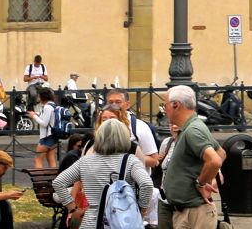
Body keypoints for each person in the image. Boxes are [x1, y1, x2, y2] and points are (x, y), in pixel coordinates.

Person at [53, 117, 154, 229]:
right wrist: (141, 209)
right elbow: (146, 184)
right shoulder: (130, 161)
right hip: (121, 222)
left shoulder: (85, 161)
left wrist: (72, 208)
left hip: (90, 222)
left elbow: (58, 182)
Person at [157, 86, 222, 229]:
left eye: (165, 105)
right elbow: (221, 152)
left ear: (176, 105)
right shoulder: (191, 127)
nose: (164, 110)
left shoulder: (192, 130)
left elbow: (216, 159)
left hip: (194, 213)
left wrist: (201, 183)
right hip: (185, 211)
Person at [101, 89, 162, 226]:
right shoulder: (101, 129)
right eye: (111, 102)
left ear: (127, 104)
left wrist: (130, 160)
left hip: (133, 189)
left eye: (118, 102)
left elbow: (154, 160)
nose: (115, 105)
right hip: (107, 188)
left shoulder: (139, 127)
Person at [33, 87, 59, 171]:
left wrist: (33, 116)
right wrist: (36, 114)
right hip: (53, 136)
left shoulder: (47, 107)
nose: (38, 98)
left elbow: (44, 123)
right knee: (51, 160)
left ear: (42, 96)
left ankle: (39, 182)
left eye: (39, 96)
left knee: (38, 160)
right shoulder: (53, 105)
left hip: (46, 138)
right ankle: (53, 182)